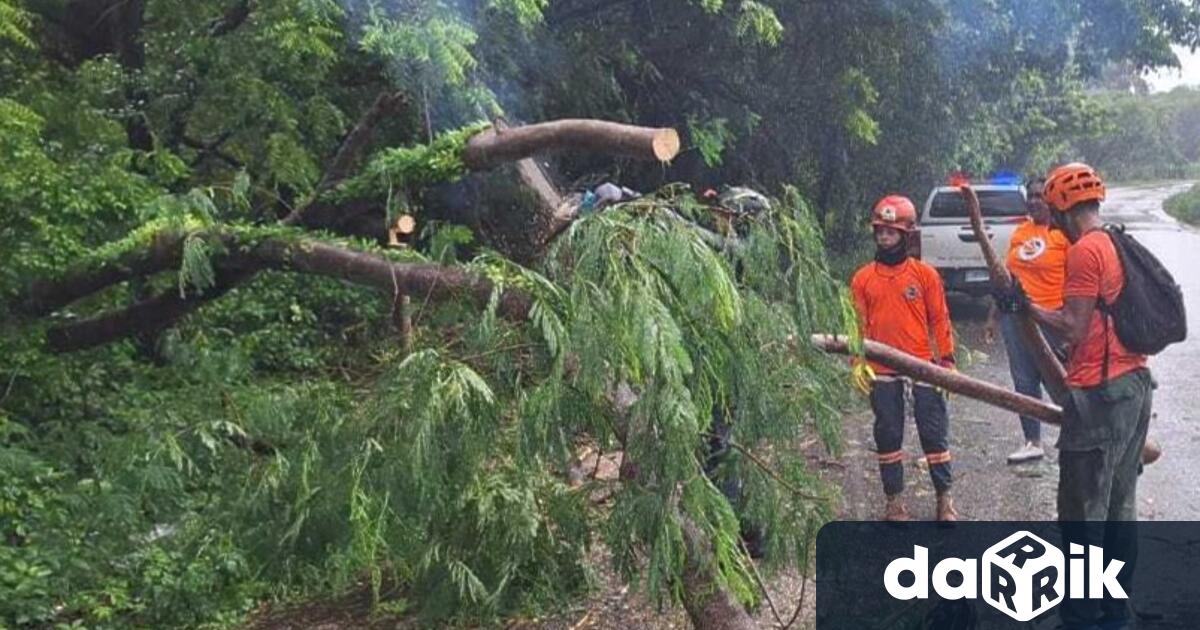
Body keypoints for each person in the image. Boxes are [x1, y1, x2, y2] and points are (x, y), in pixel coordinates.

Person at [995, 163, 1150, 630]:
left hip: (1100, 395)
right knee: (1120, 507)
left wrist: (1027, 308)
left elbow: (1073, 326)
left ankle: (1082, 617)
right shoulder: (1118, 241)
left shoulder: (1086, 250)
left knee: (1082, 513)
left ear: (1063, 207)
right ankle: (1114, 612)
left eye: (1052, 207)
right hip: (1135, 384)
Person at [850, 195, 958, 522]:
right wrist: (857, 362)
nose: (884, 237)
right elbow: (857, 325)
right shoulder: (862, 278)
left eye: (891, 232)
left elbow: (939, 319)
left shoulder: (925, 275)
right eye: (880, 231)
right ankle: (894, 501)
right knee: (887, 433)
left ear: (906, 235)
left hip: (922, 366)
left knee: (934, 433)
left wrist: (947, 362)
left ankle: (944, 499)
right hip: (881, 369)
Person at [993, 178, 1071, 464]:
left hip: (1051, 317)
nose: (1034, 201)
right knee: (1024, 379)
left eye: (1040, 196)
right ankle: (1032, 441)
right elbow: (1008, 277)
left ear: (1052, 200)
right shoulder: (1021, 231)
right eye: (1031, 196)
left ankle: (1077, 434)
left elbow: (1077, 282)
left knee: (1059, 378)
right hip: (1015, 317)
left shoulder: (1063, 235)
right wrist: (993, 315)